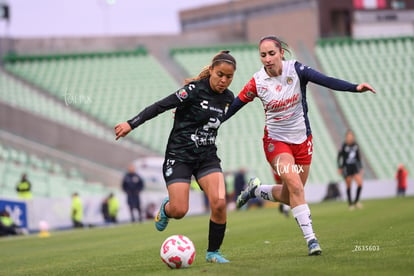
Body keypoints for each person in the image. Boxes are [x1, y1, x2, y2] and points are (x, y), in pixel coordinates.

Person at [223, 35, 376, 256]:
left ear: (281, 53)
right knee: (295, 187)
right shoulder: (257, 82)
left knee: (292, 193)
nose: (267, 59)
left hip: (303, 142)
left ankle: (256, 190)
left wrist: (355, 87)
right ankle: (312, 240)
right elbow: (234, 106)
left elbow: (326, 80)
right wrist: (207, 122)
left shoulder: (295, 70)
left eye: (271, 53)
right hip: (276, 143)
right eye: (263, 55)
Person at [114, 50, 236, 263]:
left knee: (218, 202)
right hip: (179, 155)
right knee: (179, 210)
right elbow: (161, 106)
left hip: (207, 156)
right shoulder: (193, 90)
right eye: (220, 75)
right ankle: (166, 208)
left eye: (229, 77)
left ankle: (213, 253)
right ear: (211, 72)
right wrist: (130, 124)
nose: (224, 80)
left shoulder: (228, 98)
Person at [337, 130, 364, 210]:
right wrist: (339, 167)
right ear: (346, 137)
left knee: (360, 183)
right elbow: (339, 157)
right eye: (348, 136)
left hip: (355, 167)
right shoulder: (344, 146)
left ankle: (356, 201)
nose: (350, 138)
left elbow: (358, 157)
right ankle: (350, 203)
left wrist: (361, 167)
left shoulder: (355, 145)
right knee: (349, 185)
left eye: (351, 136)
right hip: (346, 167)